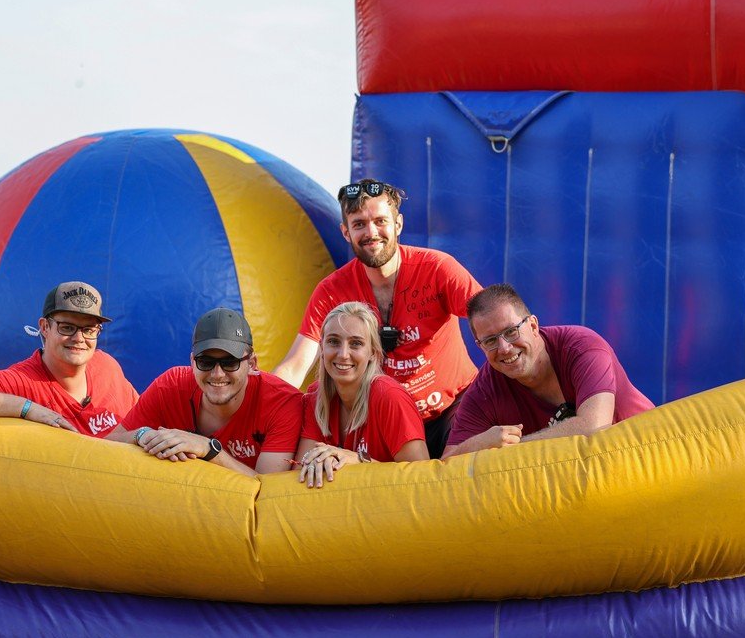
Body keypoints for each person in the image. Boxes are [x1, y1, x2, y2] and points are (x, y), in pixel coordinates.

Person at [273, 178, 482, 460]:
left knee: (461, 471)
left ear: (398, 224)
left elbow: (492, 319)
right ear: (346, 232)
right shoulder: (332, 290)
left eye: (380, 221)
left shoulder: (437, 269)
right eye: (359, 224)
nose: (371, 233)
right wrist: (258, 404)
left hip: (452, 409)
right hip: (385, 419)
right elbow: (296, 365)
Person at [443, 284, 654, 457]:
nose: (504, 348)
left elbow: (594, 428)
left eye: (511, 331)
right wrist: (477, 444)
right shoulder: (485, 390)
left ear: (533, 326)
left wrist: (508, 449)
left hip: (648, 455)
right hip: (584, 481)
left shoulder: (582, 346)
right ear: (480, 346)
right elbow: (446, 466)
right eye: (490, 341)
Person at [0, 281, 138, 437]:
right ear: (45, 327)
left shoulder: (106, 366)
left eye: (89, 330)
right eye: (67, 327)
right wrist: (28, 408)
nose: (79, 338)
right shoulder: (24, 381)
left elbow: (142, 412)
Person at [109, 308, 302, 477]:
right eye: (206, 362)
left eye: (230, 363)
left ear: (252, 364)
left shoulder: (282, 403)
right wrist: (142, 435)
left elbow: (270, 491)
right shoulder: (169, 386)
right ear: (192, 362)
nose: (217, 374)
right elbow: (108, 444)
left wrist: (208, 449)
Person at [298, 302, 429, 488]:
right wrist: (318, 464)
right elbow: (300, 471)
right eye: (333, 341)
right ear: (321, 348)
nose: (343, 354)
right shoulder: (315, 397)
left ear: (373, 353)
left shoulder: (389, 396)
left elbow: (422, 478)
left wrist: (359, 460)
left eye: (356, 344)